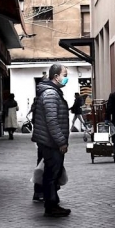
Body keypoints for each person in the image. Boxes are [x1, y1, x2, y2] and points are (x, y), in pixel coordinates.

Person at [31, 63, 71, 217]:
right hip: (51, 142)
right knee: (51, 174)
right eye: (65, 75)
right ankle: (51, 205)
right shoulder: (51, 94)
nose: (66, 78)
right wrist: (61, 142)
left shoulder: (52, 93)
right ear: (56, 76)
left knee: (52, 172)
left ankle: (53, 202)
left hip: (48, 141)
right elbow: (52, 121)